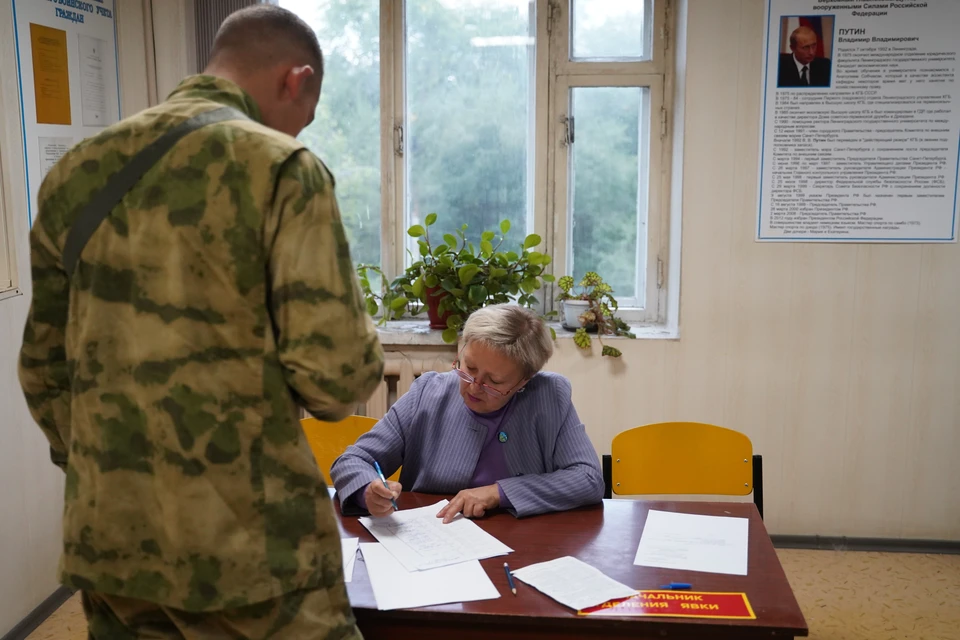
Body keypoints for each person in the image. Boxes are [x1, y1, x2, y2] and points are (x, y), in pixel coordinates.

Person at [17, 5, 383, 639]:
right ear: (295, 81)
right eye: (306, 116)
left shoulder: (74, 174)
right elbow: (333, 380)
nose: (300, 132)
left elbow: (43, 370)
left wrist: (115, 472)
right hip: (247, 551)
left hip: (109, 541)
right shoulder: (281, 168)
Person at [331, 304, 605, 523]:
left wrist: (499, 493)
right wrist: (367, 489)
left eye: (494, 382)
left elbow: (588, 479)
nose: (474, 387)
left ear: (524, 381)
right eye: (469, 368)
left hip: (521, 547)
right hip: (433, 539)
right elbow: (353, 460)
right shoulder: (428, 393)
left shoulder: (548, 395)